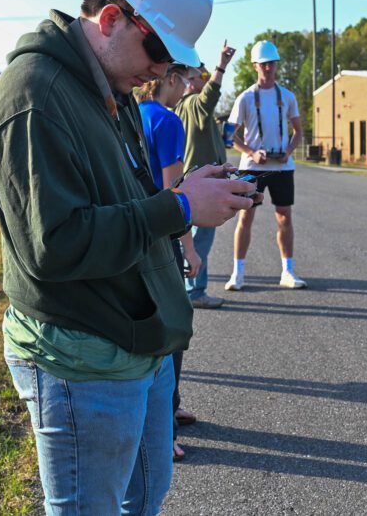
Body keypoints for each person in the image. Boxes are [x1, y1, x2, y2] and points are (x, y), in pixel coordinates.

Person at [0, 0, 255, 515]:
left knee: (145, 496)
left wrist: (184, 194)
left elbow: (127, 193)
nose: (163, 69)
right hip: (80, 356)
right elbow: (54, 246)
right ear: (110, 18)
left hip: (138, 344)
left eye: (172, 58)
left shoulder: (113, 88)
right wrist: (178, 209)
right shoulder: (34, 96)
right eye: (159, 49)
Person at [136, 63, 201, 463]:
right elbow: (174, 194)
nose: (191, 87)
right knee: (173, 331)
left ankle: (167, 409)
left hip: (133, 235)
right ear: (171, 79)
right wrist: (189, 248)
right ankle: (165, 431)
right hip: (161, 239)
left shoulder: (134, 112)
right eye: (188, 79)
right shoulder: (169, 121)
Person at [225, 40, 307, 291]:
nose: (269, 68)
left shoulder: (288, 96)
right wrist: (251, 151)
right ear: (255, 66)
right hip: (252, 166)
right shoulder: (246, 97)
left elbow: (298, 131)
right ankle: (237, 273)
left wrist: (288, 151)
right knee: (245, 217)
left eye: (272, 63)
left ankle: (287, 271)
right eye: (264, 64)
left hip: (282, 167)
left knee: (284, 218)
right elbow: (228, 135)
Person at [173, 41, 236, 309]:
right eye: (204, 75)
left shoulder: (182, 107)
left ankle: (188, 287)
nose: (208, 79)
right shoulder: (195, 105)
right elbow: (209, 96)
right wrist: (221, 66)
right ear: (191, 81)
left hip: (192, 181)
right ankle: (194, 292)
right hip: (205, 183)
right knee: (202, 238)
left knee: (193, 234)